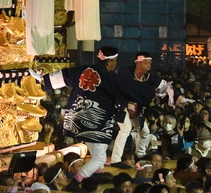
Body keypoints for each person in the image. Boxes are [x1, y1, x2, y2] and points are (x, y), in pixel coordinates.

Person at [31, 47, 134, 182]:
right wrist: (126, 106)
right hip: (95, 122)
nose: (116, 64)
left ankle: (96, 175)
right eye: (115, 61)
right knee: (100, 158)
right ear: (109, 62)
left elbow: (64, 76)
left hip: (77, 119)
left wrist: (43, 79)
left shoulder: (84, 70)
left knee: (101, 149)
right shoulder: (110, 78)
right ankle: (76, 182)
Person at [110, 52, 188, 166]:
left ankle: (140, 154)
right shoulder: (123, 73)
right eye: (146, 62)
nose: (149, 65)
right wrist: (126, 104)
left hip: (137, 108)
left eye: (150, 63)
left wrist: (179, 97)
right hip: (120, 105)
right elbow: (111, 90)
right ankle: (115, 160)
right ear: (138, 62)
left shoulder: (151, 76)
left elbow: (165, 87)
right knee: (126, 129)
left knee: (145, 132)